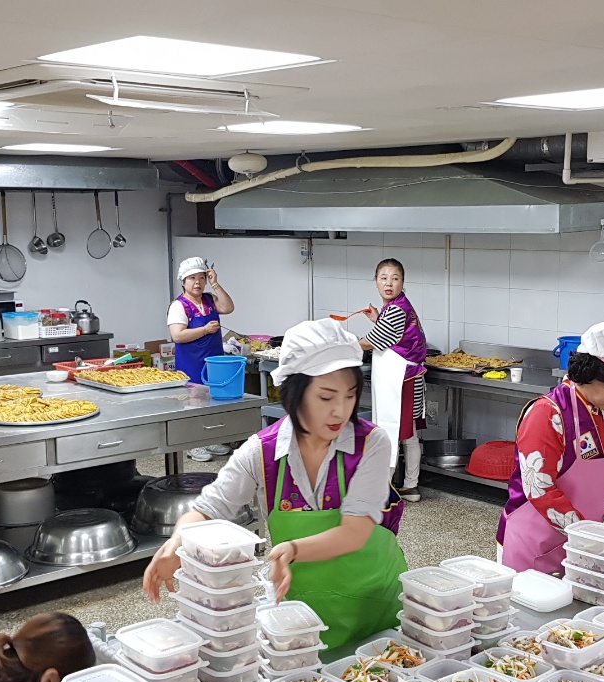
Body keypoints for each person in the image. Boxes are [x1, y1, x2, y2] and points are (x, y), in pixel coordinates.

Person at [143, 319, 406, 650]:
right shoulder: (262, 452)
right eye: (326, 397)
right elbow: (208, 508)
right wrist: (176, 544)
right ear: (293, 393)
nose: (340, 411)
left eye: (350, 396)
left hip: (377, 608)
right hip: (304, 618)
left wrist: (293, 549)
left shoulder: (370, 443)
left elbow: (355, 532)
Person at [496, 320, 604, 574]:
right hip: (536, 544)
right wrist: (591, 538)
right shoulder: (548, 413)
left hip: (586, 542)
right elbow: (539, 487)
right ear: (589, 373)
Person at [359, 258, 428, 503]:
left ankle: (384, 491)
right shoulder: (397, 306)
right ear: (376, 282)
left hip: (401, 382)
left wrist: (341, 342)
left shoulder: (396, 310)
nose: (389, 283)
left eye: (395, 278)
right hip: (409, 378)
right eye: (384, 278)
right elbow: (393, 335)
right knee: (409, 435)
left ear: (403, 282)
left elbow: (372, 341)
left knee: (390, 431)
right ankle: (410, 486)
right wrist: (378, 319)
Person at [168, 256, 236, 461]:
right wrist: (205, 330)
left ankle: (209, 439)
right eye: (192, 278)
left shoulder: (209, 299)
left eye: (201, 278)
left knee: (212, 399)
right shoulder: (179, 306)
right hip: (192, 361)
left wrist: (216, 284)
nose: (197, 282)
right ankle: (193, 444)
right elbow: (178, 335)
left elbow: (228, 307)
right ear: (183, 281)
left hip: (213, 358)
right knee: (194, 401)